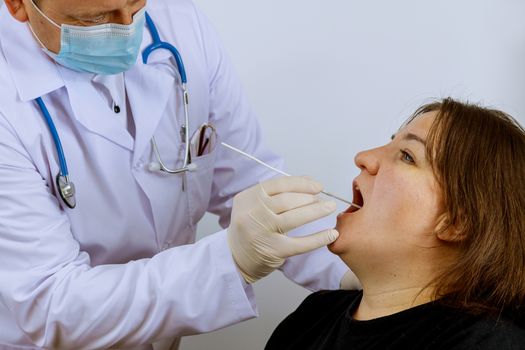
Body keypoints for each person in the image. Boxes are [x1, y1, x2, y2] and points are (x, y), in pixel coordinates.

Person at [0, 0, 358, 348]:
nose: (127, 28)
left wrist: (352, 270)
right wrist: (230, 259)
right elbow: (50, 304)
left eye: (136, 4)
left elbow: (247, 177)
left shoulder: (181, 25)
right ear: (17, 5)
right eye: (95, 19)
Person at [266, 98, 525, 349]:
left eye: (407, 156)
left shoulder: (486, 342)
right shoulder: (312, 317)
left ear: (455, 223)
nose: (363, 157)